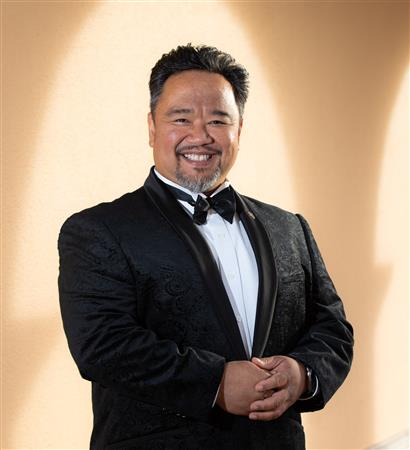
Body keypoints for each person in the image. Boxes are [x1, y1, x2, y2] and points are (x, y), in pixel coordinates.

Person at [58, 44, 353, 450]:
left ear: (239, 130)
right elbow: (103, 346)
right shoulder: (98, 230)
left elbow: (333, 327)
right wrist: (216, 383)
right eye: (181, 118)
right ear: (151, 127)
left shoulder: (290, 227)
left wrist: (302, 374)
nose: (200, 136)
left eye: (217, 120)